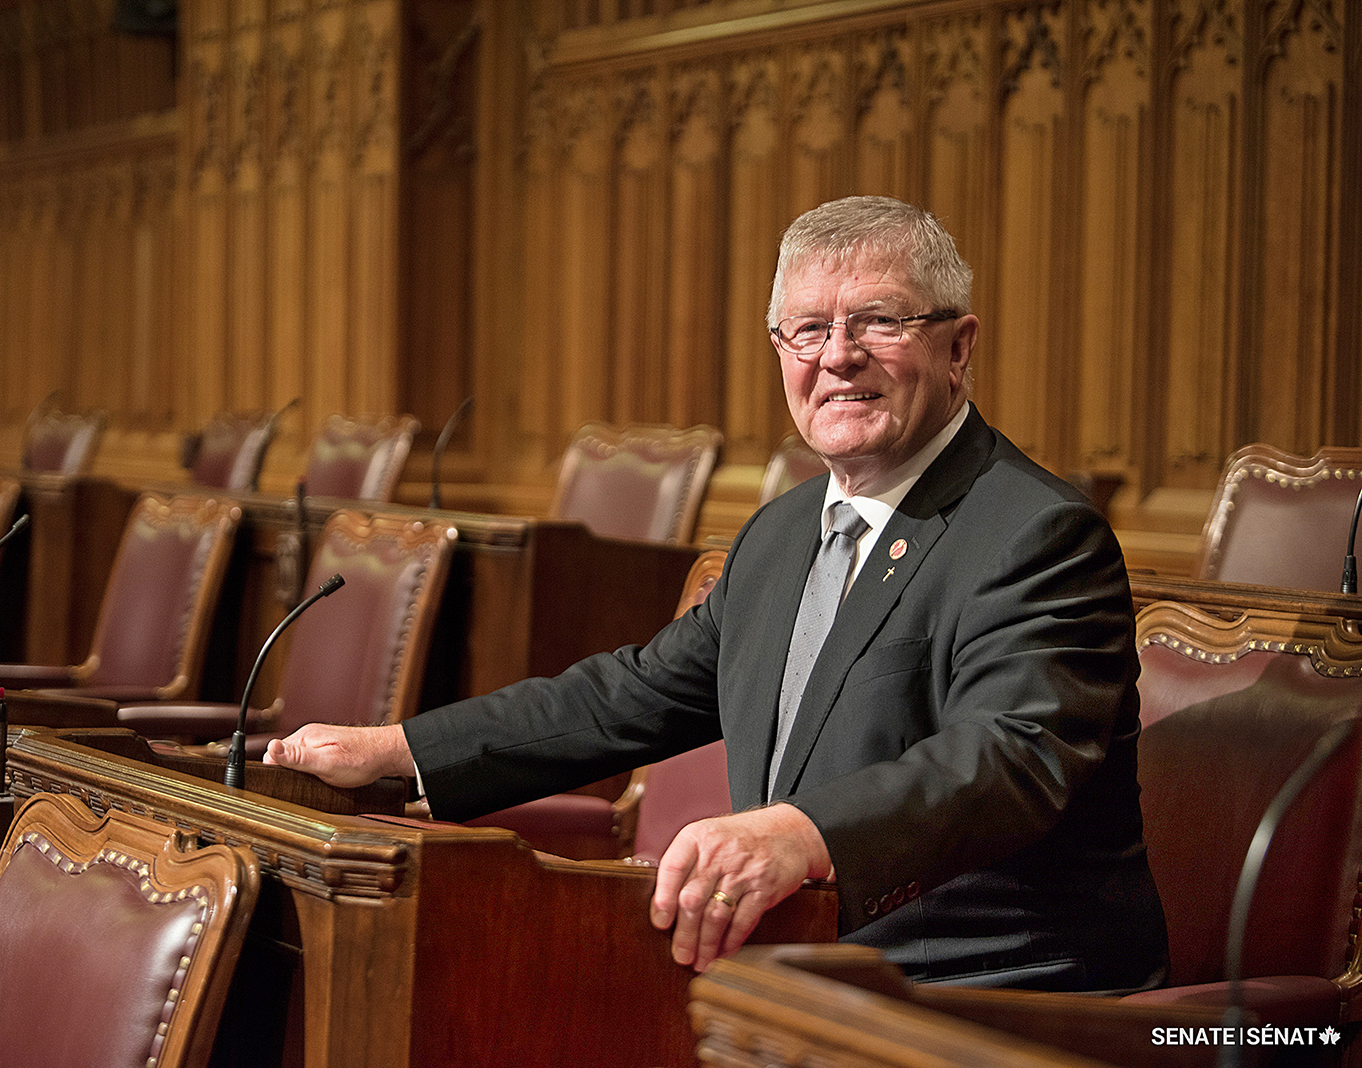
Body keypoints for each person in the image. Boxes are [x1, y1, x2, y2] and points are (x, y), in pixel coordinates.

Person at [265, 195, 1169, 991]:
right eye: (807, 331)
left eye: (879, 322)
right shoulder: (781, 533)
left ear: (958, 347)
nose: (839, 356)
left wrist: (801, 832)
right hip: (794, 969)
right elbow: (634, 695)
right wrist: (401, 750)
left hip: (983, 993)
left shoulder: (1036, 532)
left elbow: (1010, 758)